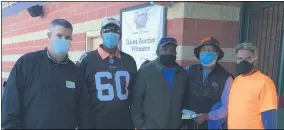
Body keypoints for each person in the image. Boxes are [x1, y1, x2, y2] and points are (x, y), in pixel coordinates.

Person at [1, 19, 89, 129]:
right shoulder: (26, 64)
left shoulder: (75, 72)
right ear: (49, 35)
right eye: (59, 35)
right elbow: (9, 106)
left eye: (67, 38)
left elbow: (84, 111)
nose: (63, 40)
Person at [76, 17, 137, 129]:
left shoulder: (129, 60)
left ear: (120, 34)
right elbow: (78, 93)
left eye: (115, 30)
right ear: (101, 33)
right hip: (95, 123)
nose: (111, 33)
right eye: (107, 30)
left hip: (123, 123)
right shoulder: (86, 60)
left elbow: (134, 92)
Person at [131, 37, 189, 129]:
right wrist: (139, 124)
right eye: (165, 49)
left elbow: (186, 102)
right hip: (150, 127)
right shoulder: (145, 71)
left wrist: (184, 123)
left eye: (172, 50)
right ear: (157, 52)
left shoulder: (183, 74)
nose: (169, 52)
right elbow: (136, 100)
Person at [184, 36, 233, 129]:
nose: (207, 53)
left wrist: (208, 116)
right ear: (199, 54)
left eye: (211, 50)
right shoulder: (189, 70)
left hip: (211, 124)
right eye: (204, 50)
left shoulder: (226, 78)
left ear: (217, 54)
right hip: (188, 121)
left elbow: (226, 108)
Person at [228, 42, 278, 129]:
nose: (243, 61)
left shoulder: (265, 82)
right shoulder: (236, 80)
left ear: (254, 60)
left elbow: (270, 117)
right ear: (236, 60)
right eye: (240, 58)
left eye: (248, 58)